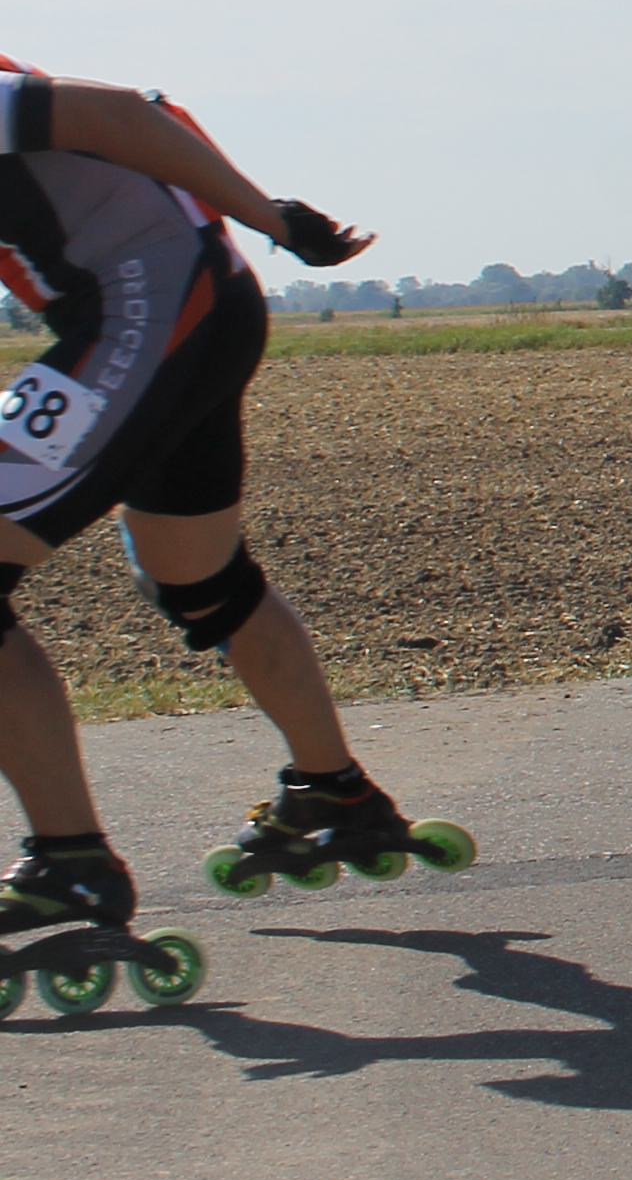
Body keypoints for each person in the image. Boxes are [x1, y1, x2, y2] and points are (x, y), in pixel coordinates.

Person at [1, 55, 455, 1019]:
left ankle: (70, 863)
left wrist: (273, 218)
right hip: (185, 303)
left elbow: (122, 115)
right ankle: (333, 790)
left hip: (149, 309)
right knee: (198, 578)